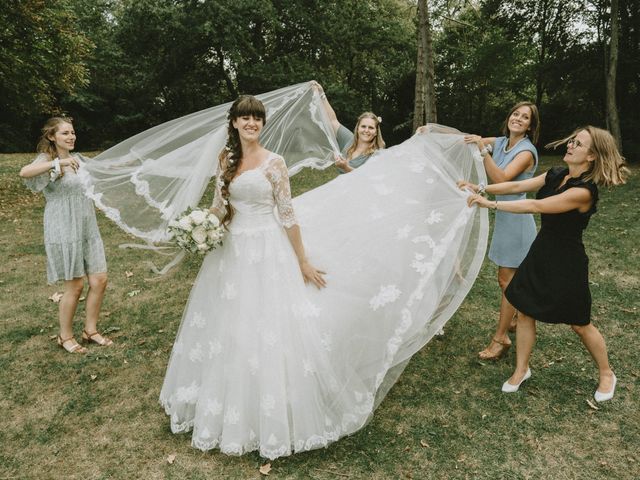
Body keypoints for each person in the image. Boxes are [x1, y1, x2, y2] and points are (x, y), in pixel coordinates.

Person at [158, 95, 487, 459]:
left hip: (267, 249)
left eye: (257, 118)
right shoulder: (226, 159)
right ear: (234, 122)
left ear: (262, 124)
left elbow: (287, 215)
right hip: (232, 251)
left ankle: (276, 406)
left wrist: (302, 262)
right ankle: (223, 400)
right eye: (245, 118)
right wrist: (203, 225)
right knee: (230, 322)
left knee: (271, 324)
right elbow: (222, 206)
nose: (251, 123)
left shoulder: (274, 163)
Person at [463, 126, 628, 401]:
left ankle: (606, 373)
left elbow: (536, 206)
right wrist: (481, 187)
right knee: (526, 311)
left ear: (592, 157)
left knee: (579, 322)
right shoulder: (556, 174)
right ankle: (521, 369)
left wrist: (489, 204)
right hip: (541, 251)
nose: (571, 145)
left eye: (579, 144)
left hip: (567, 261)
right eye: (572, 140)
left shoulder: (584, 192)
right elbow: (517, 186)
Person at [19, 117, 112, 354]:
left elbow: (103, 172)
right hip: (63, 225)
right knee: (76, 285)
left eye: (72, 132)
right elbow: (24, 172)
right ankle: (65, 336)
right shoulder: (47, 159)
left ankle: (90, 331)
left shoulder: (78, 159)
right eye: (65, 133)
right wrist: (56, 165)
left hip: (86, 225)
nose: (71, 136)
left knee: (99, 280)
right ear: (52, 137)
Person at [462, 102, 540, 360]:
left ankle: (501, 338)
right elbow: (469, 141)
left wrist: (483, 152)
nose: (518, 118)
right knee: (505, 279)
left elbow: (502, 179)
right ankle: (515, 318)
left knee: (508, 281)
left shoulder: (526, 152)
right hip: (505, 217)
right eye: (515, 114)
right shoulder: (500, 141)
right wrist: (434, 137)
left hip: (517, 222)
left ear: (530, 125)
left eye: (524, 117)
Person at [311, 81, 385, 173]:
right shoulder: (349, 140)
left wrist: (345, 167)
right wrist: (322, 94)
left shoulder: (377, 154)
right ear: (357, 128)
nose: (366, 130)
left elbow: (367, 179)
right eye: (363, 126)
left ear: (376, 132)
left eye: (371, 128)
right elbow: (332, 120)